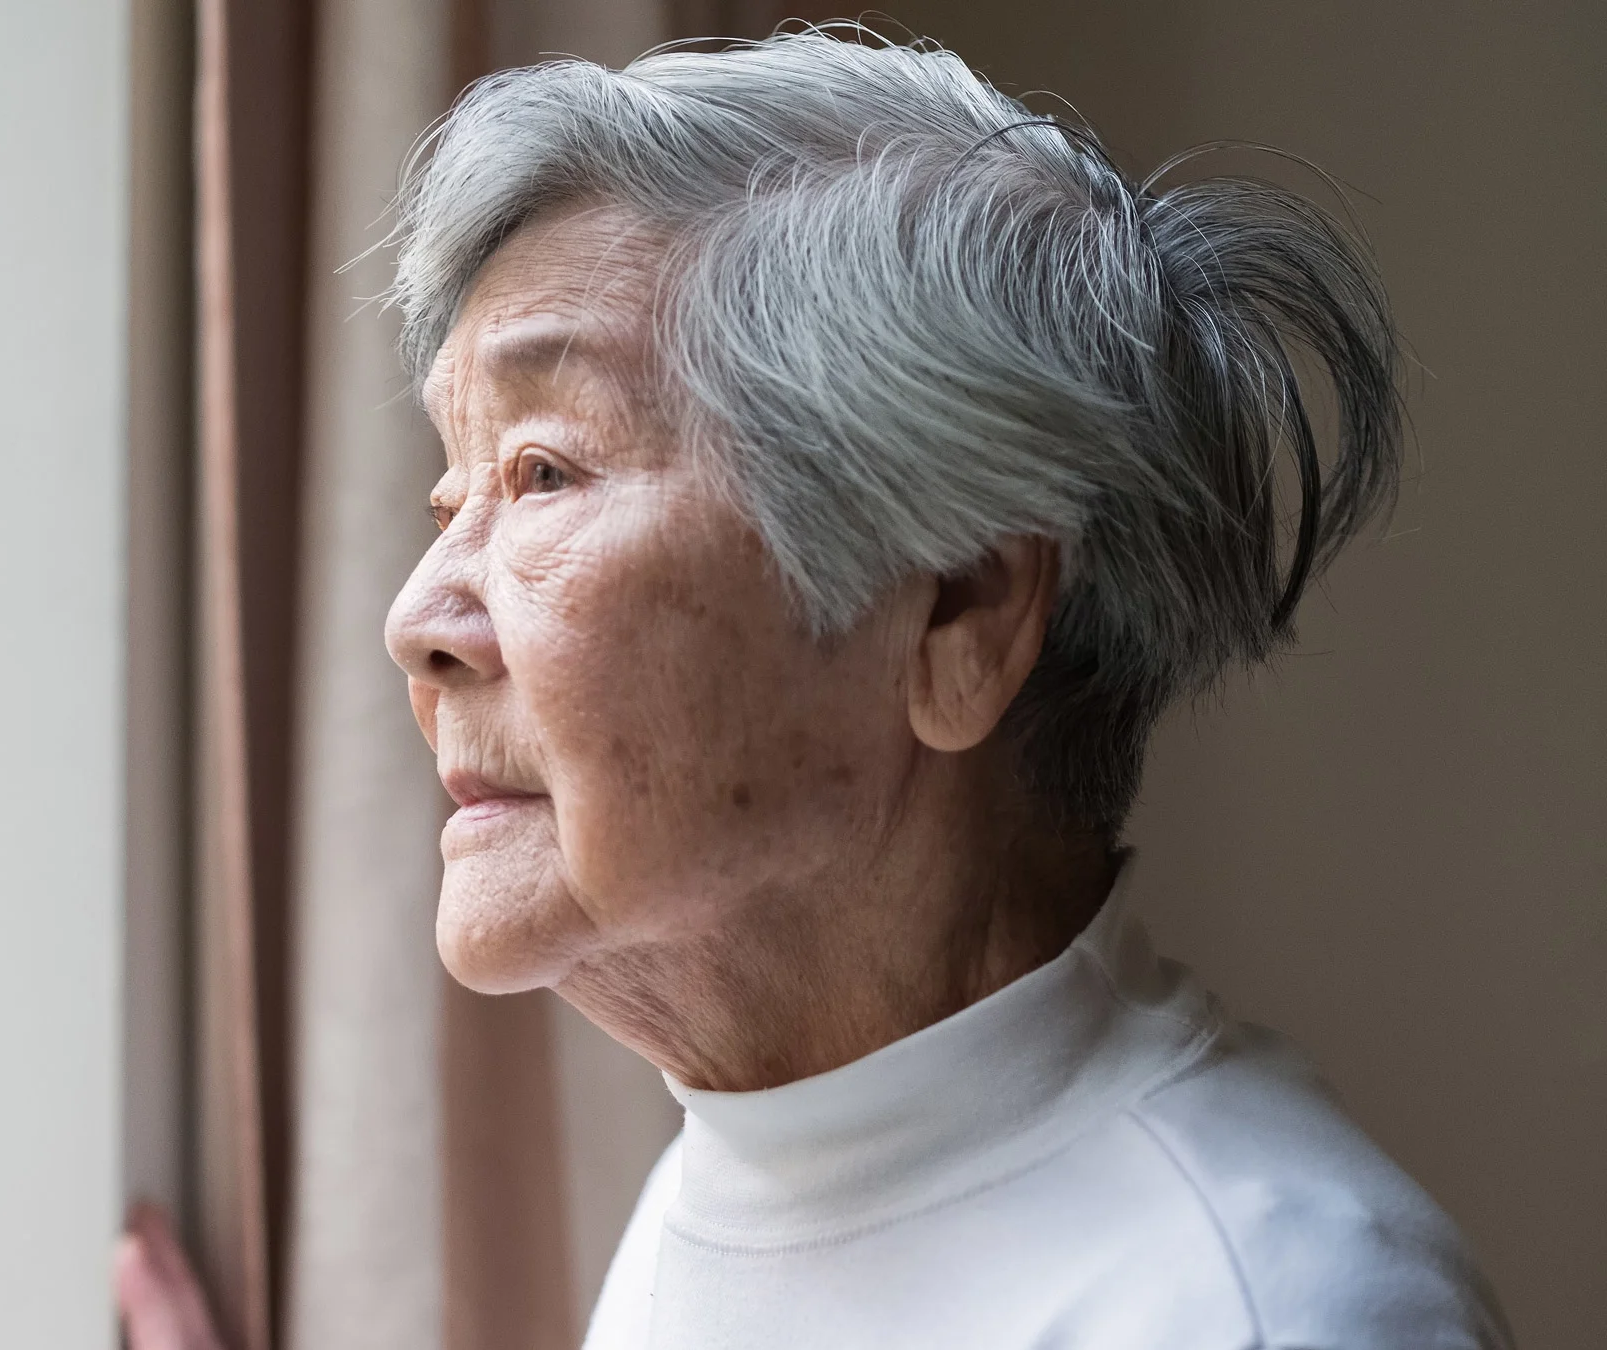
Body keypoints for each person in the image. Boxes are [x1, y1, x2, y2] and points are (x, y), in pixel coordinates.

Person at [120, 27, 1512, 1350]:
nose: (416, 619)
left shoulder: (1261, 1303)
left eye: (543, 472)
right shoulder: (734, 1177)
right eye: (451, 493)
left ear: (960, 608)